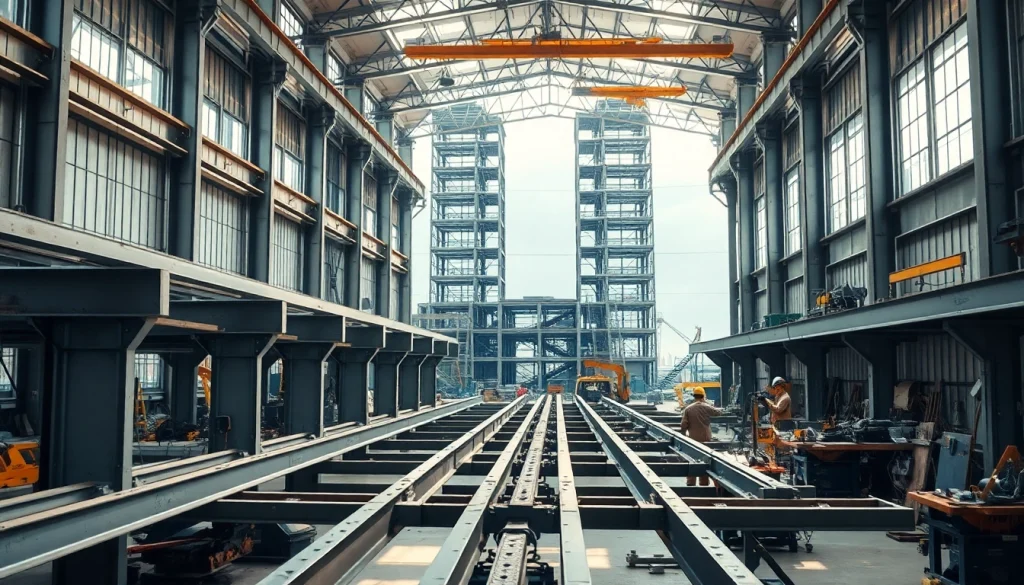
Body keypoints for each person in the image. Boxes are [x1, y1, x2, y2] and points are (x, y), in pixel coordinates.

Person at [680, 387, 723, 486]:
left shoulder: (688, 409)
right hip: (706, 439)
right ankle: (704, 484)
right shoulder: (707, 407)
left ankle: (690, 483)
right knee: (704, 462)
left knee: (692, 461)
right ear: (703, 396)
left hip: (692, 440)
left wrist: (683, 437)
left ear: (694, 396)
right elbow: (718, 412)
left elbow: (683, 425)